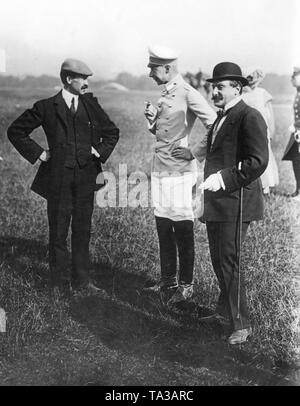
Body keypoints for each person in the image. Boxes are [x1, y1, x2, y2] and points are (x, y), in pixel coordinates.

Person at [7, 58, 119, 296]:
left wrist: (98, 150)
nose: (87, 83)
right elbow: (15, 131)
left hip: (86, 179)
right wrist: (40, 154)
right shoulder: (47, 107)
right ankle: (57, 284)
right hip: (58, 179)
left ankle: (82, 280)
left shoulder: (91, 105)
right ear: (69, 79)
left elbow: (112, 132)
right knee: (58, 231)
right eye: (83, 79)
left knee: (82, 229)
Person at [199, 62, 268, 344]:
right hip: (218, 200)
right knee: (218, 257)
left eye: (220, 86)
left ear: (237, 88)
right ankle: (223, 311)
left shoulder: (249, 116)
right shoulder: (222, 116)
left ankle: (242, 324)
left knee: (229, 259)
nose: (214, 91)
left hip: (237, 199)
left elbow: (257, 161)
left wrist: (224, 178)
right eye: (213, 86)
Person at [143, 45, 216, 306]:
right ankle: (168, 280)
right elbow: (164, 133)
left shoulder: (187, 92)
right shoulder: (166, 93)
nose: (149, 72)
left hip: (180, 173)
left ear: (167, 68)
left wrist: (195, 151)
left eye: (153, 68)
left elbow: (215, 121)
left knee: (182, 228)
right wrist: (153, 120)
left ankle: (186, 286)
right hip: (160, 170)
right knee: (163, 225)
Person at [242, 67, 279, 194]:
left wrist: (272, 131)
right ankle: (250, 184)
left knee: (264, 155)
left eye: (253, 78)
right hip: (247, 129)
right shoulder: (242, 94)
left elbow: (270, 114)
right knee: (249, 155)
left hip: (262, 129)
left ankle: (266, 185)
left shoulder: (262, 93)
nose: (251, 81)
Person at [282, 67, 300, 200]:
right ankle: (298, 190)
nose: (292, 79)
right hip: (297, 131)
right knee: (296, 160)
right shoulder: (298, 92)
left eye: (295, 76)